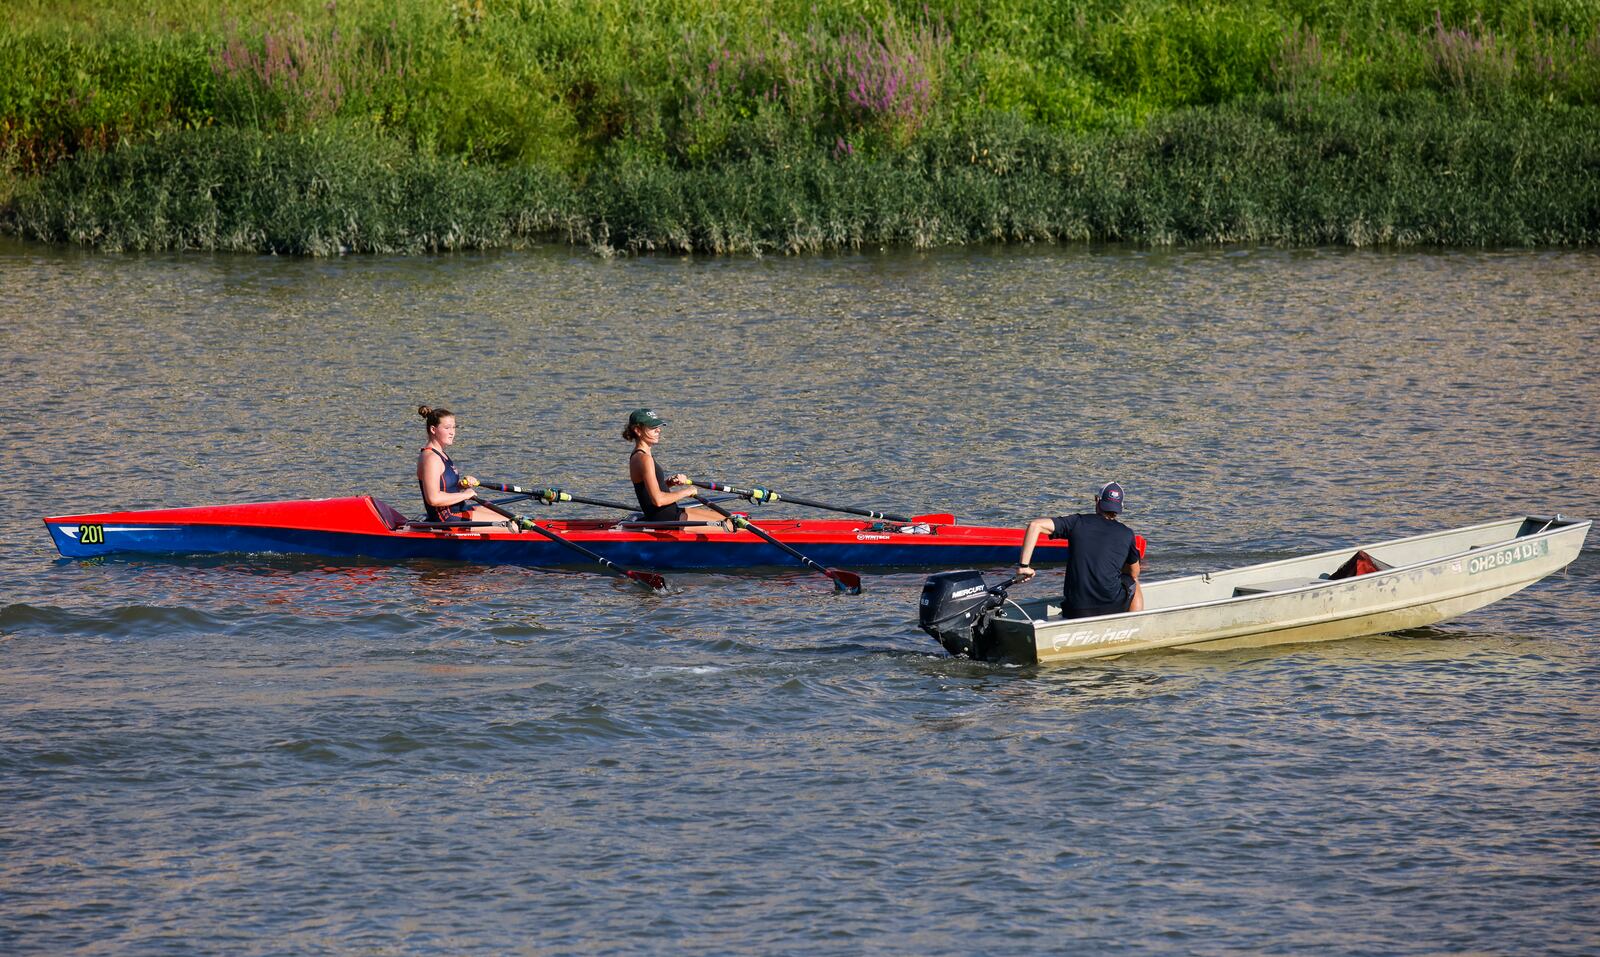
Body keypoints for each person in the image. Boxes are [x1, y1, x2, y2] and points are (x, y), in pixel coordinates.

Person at [1015, 481, 1144, 618]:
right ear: (1121, 507)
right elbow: (1134, 573)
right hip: (1111, 608)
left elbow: (1035, 525)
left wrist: (1024, 566)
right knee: (1132, 581)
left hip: (1075, 610)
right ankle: (1135, 622)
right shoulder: (1127, 533)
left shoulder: (1077, 522)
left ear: (1097, 500)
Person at [624, 408, 734, 531]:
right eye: (653, 427)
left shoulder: (639, 455)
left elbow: (647, 492)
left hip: (669, 514)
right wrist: (685, 492)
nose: (658, 430)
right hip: (667, 520)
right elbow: (658, 500)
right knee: (730, 527)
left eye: (658, 427)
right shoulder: (644, 459)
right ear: (638, 430)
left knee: (731, 520)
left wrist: (668, 484)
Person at [415, 405, 500, 524]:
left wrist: (461, 485)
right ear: (433, 430)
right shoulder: (431, 458)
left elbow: (444, 487)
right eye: (447, 428)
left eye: (454, 428)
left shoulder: (441, 454)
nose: (452, 433)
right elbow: (433, 499)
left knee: (515, 519)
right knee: (515, 526)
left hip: (458, 509)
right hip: (447, 518)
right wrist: (465, 495)